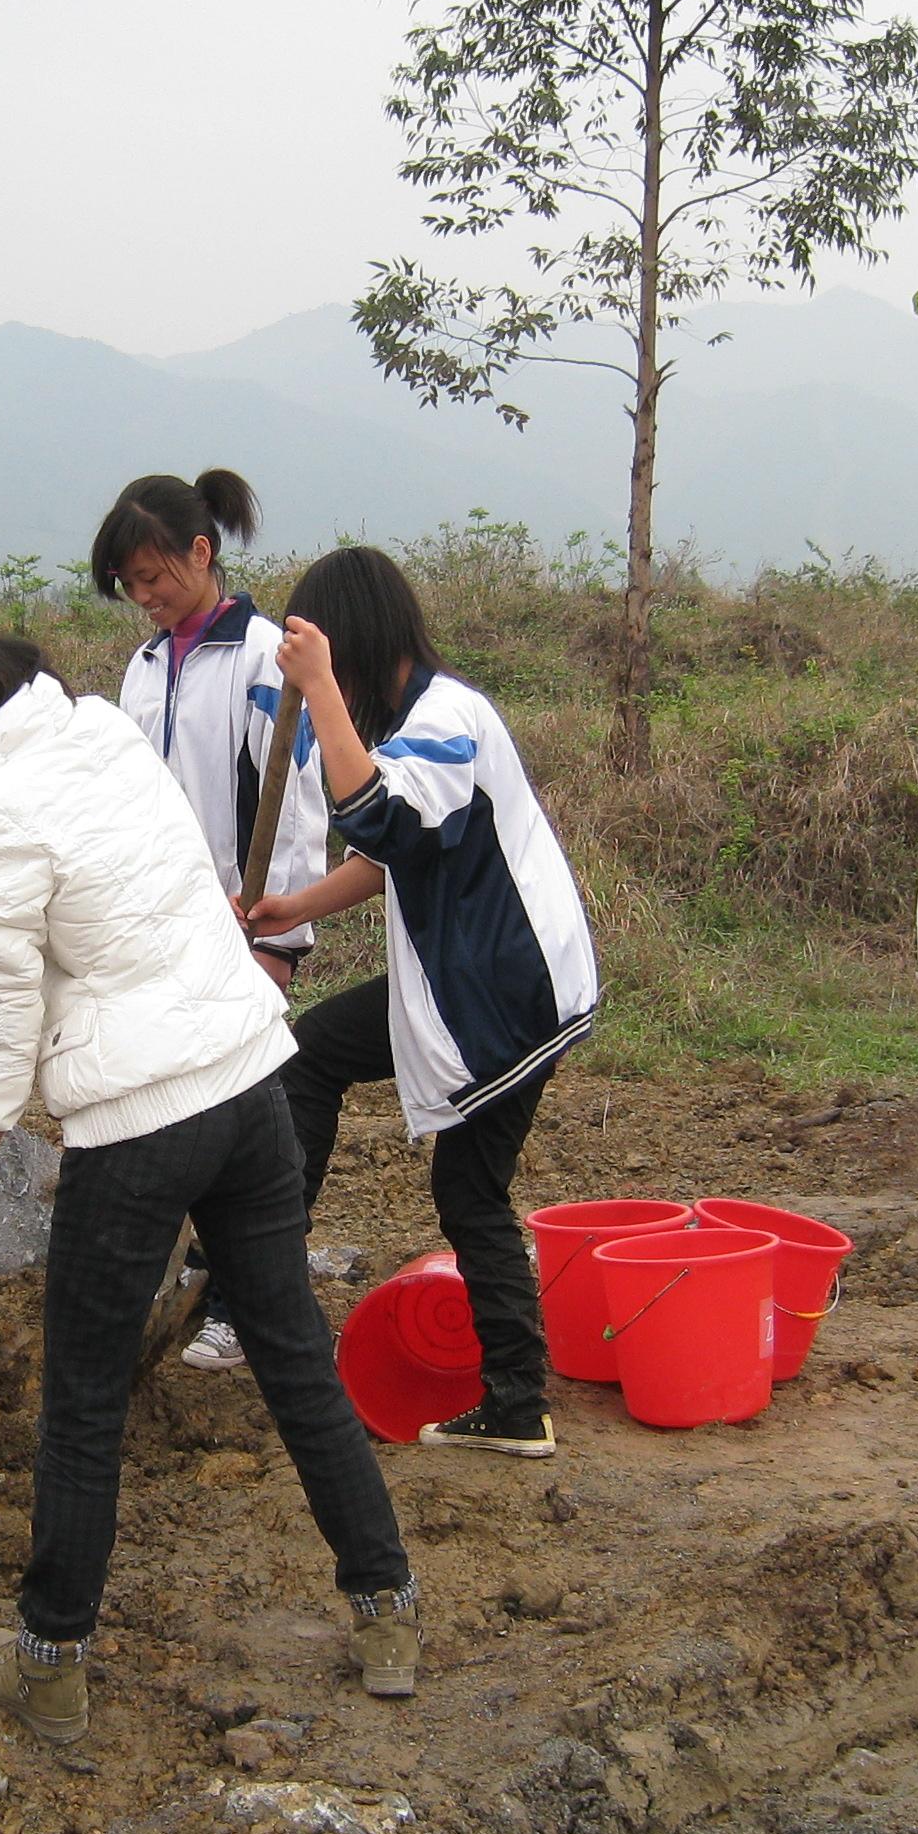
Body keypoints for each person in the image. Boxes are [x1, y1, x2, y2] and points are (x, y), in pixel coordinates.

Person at [0, 614, 416, 1746]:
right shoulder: (102, 732)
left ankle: (50, 1661)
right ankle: (387, 1613)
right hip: (252, 1081)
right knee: (296, 1360)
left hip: (143, 1121)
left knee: (83, 1404)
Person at [247, 547, 600, 1459]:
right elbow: (392, 853)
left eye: (333, 657)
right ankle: (277, 1258)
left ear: (353, 642)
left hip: (505, 993)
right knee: (314, 1052)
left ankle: (519, 1402)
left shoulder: (448, 719)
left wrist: (319, 689)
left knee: (469, 1189)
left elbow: (379, 818)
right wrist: (297, 904)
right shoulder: (422, 726)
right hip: (472, 981)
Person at [88, 468, 328, 1376]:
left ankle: (236, 1301)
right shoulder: (144, 667)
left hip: (244, 921)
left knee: (243, 1113)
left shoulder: (265, 657)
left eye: (155, 578)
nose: (145, 599)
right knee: (171, 1107)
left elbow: (295, 799)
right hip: (158, 926)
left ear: (203, 552)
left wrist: (277, 933)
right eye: (131, 587)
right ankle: (184, 1283)